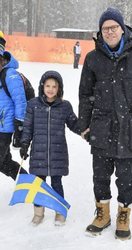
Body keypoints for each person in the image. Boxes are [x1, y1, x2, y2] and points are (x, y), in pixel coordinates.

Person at [78, 7, 132, 240]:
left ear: (122, 29)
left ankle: (123, 215)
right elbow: (85, 94)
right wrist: (84, 123)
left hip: (130, 129)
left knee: (126, 178)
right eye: (105, 28)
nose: (110, 32)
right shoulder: (92, 58)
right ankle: (102, 213)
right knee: (100, 176)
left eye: (114, 27)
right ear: (100, 32)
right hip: (102, 127)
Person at [19, 70, 80, 226]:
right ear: (42, 86)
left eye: (54, 86)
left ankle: (59, 212)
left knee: (57, 183)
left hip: (57, 153)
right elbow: (28, 127)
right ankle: (38, 213)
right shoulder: (33, 104)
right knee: (38, 185)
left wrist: (86, 129)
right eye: (48, 85)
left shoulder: (64, 106)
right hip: (38, 153)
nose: (51, 89)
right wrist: (24, 143)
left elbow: (74, 124)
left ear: (59, 88)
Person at [0, 33, 27, 180]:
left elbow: (20, 100)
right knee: (4, 163)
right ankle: (27, 182)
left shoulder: (10, 75)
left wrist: (19, 125)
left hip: (5, 127)